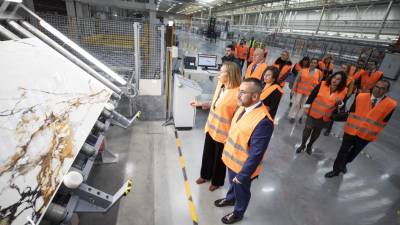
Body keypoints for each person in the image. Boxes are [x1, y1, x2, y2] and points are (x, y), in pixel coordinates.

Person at [214, 78, 274, 224]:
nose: (238, 96)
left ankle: (238, 212)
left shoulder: (263, 121)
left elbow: (256, 154)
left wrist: (243, 175)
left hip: (243, 168)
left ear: (255, 96)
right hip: (232, 159)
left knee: (241, 190)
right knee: (232, 184)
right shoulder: (242, 107)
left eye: (242, 92)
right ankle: (230, 199)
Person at [325, 80, 397, 177]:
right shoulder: (360, 96)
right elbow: (351, 113)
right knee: (343, 151)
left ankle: (344, 164)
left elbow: (384, 121)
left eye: (382, 89)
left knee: (353, 153)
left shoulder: (391, 105)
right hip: (351, 130)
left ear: (387, 91)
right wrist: (336, 116)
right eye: (377, 87)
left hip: (366, 135)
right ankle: (336, 170)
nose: (378, 90)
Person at [190, 62, 241, 191]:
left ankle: (217, 181)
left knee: (219, 159)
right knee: (207, 153)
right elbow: (215, 102)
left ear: (229, 75)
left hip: (224, 133)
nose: (219, 74)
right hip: (211, 127)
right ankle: (205, 175)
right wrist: (201, 104)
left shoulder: (238, 94)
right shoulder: (220, 85)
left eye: (222, 71)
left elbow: (238, 117)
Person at [296, 72, 348, 155]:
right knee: (307, 128)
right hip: (314, 112)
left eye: (338, 79)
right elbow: (312, 95)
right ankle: (302, 145)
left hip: (326, 116)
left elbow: (342, 106)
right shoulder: (323, 84)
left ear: (342, 82)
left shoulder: (343, 91)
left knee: (317, 131)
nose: (335, 80)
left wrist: (340, 104)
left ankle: (309, 145)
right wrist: (306, 107)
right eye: (334, 77)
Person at [288, 58, 322, 124]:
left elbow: (319, 83)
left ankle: (300, 116)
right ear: (310, 63)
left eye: (315, 63)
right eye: (312, 62)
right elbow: (297, 80)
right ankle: (292, 116)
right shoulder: (303, 70)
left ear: (317, 64)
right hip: (299, 90)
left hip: (309, 92)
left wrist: (316, 94)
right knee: (296, 103)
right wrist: (293, 89)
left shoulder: (319, 73)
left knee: (304, 105)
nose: (313, 64)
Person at [324, 63, 354, 136]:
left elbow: (350, 91)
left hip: (340, 99)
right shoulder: (335, 75)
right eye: (342, 67)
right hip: (331, 96)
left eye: (344, 68)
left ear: (347, 70)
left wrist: (343, 99)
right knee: (327, 109)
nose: (342, 69)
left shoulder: (350, 80)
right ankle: (324, 123)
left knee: (334, 113)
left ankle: (328, 128)